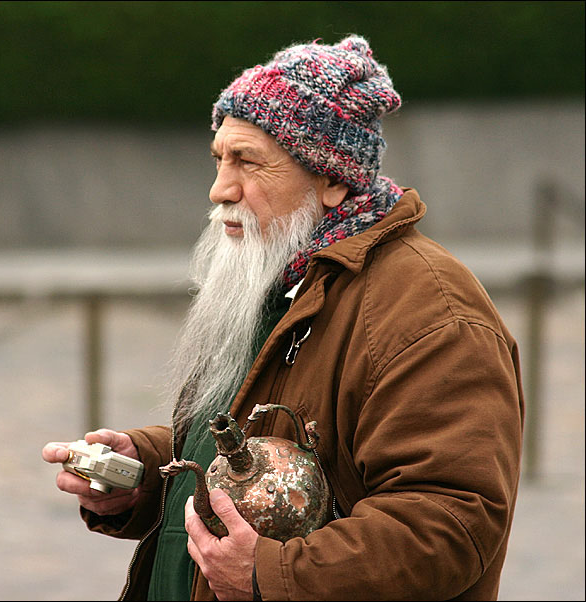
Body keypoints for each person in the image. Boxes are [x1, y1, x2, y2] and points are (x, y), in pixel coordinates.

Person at [42, 35, 524, 601]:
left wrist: (270, 574)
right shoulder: (274, 278)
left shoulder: (430, 311)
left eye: (249, 161)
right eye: (220, 157)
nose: (221, 188)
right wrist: (145, 471)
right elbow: (251, 442)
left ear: (332, 180)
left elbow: (450, 524)